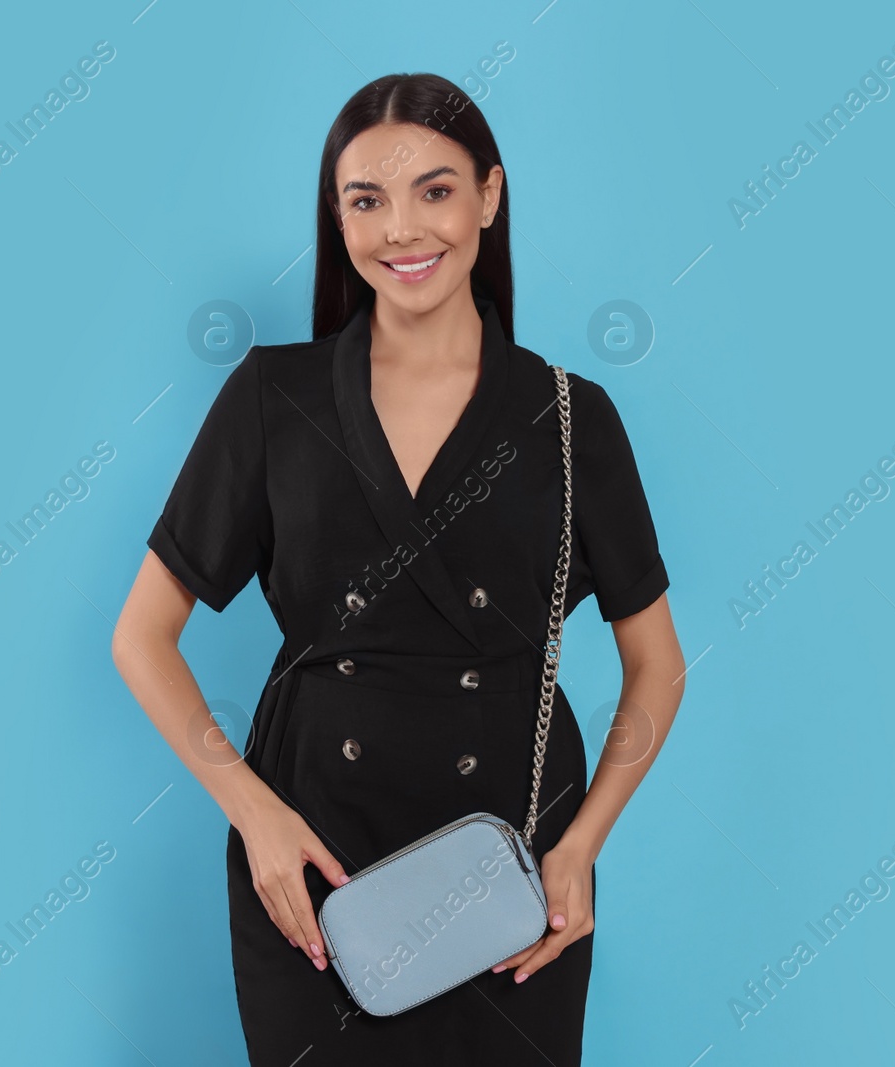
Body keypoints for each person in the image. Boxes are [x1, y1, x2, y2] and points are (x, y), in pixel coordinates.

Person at [112, 72, 685, 1065]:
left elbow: (658, 664)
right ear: (336, 220)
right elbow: (140, 637)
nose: (401, 229)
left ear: (488, 198)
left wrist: (580, 847)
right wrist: (257, 817)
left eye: (435, 189)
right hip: (313, 875)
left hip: (509, 878)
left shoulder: (569, 418)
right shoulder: (271, 398)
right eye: (365, 200)